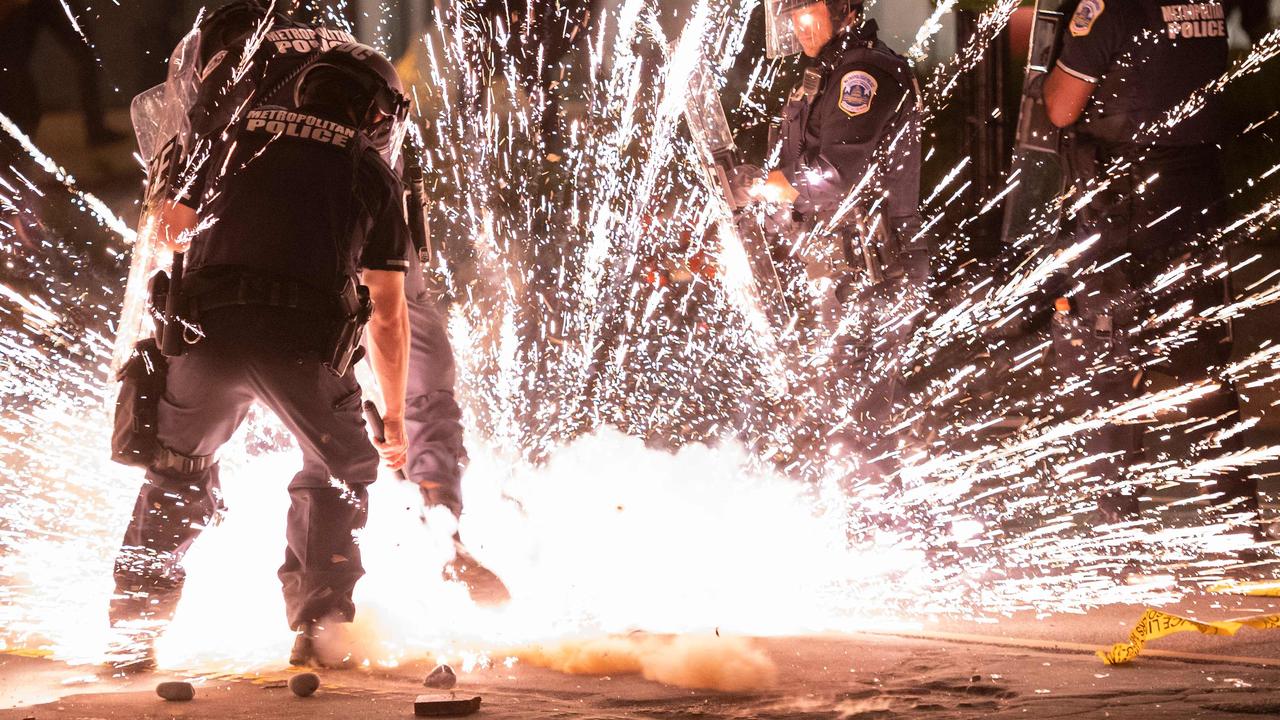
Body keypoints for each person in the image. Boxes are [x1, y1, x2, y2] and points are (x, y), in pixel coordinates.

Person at [108, 42, 412, 672]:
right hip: (300, 352)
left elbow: (168, 230)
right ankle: (319, 633)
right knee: (340, 470)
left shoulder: (233, 138)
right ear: (376, 112)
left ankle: (132, 635)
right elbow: (387, 310)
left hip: (204, 342)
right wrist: (398, 418)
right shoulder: (372, 173)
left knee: (174, 472)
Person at [1040, 0, 1260, 538]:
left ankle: (1118, 519)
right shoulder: (1203, 3)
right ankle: (1237, 514)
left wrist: (1051, 69)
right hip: (1196, 198)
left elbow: (1062, 110)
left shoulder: (1107, 9)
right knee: (1200, 355)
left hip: (1128, 204)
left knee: (1106, 352)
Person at [735, 0, 927, 476]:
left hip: (877, 268)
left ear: (843, 7)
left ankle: (882, 531)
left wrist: (764, 186)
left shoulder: (865, 73)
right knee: (838, 411)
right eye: (789, 10)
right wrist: (763, 193)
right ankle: (868, 517)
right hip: (841, 266)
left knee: (859, 419)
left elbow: (836, 178)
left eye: (807, 8)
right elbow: (794, 168)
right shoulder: (821, 73)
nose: (795, 22)